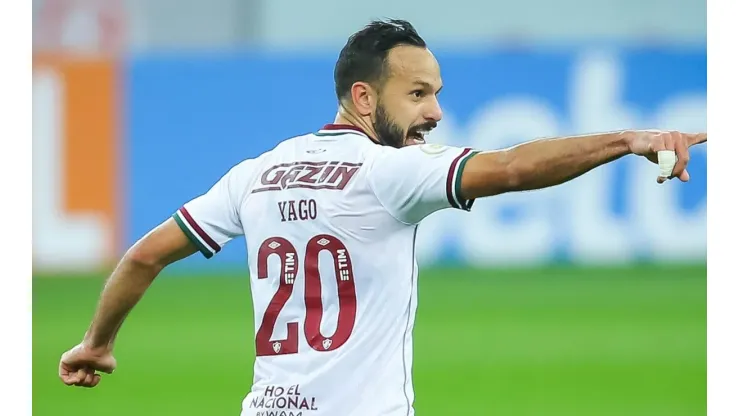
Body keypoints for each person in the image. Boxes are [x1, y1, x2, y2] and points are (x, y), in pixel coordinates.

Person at [58, 18, 706, 416]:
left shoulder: (255, 173)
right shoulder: (388, 173)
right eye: (419, 95)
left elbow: (144, 255)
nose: (436, 115)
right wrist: (626, 141)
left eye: (437, 95)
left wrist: (98, 342)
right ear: (364, 97)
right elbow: (511, 168)